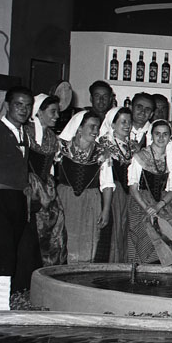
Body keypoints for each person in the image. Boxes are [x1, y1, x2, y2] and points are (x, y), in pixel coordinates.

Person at [0, 86, 33, 309]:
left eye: (27, 106)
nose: (23, 109)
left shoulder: (24, 134)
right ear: (7, 105)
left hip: (17, 201)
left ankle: (0, 307)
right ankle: (4, 307)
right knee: (3, 253)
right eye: (18, 104)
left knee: (6, 255)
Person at [58, 110, 114, 263]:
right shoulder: (62, 149)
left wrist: (106, 210)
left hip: (90, 202)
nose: (96, 131)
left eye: (98, 127)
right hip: (65, 200)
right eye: (92, 126)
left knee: (86, 244)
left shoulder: (102, 152)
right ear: (79, 128)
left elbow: (107, 184)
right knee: (63, 241)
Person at [127, 120, 172, 265]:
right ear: (152, 135)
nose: (161, 138)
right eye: (157, 134)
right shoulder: (140, 157)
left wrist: (158, 206)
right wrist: (147, 208)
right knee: (143, 245)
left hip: (162, 206)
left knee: (164, 249)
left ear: (170, 137)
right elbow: (133, 188)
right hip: (141, 205)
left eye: (165, 134)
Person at [24, 94, 67, 267]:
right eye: (53, 111)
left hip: (46, 188)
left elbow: (51, 169)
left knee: (53, 232)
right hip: (28, 187)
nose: (57, 116)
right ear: (39, 112)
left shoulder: (52, 137)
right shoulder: (25, 132)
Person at [98, 106, 134, 262]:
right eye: (123, 122)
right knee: (113, 232)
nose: (127, 125)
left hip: (127, 195)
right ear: (112, 124)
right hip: (112, 194)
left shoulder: (130, 146)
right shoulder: (105, 145)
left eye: (129, 122)